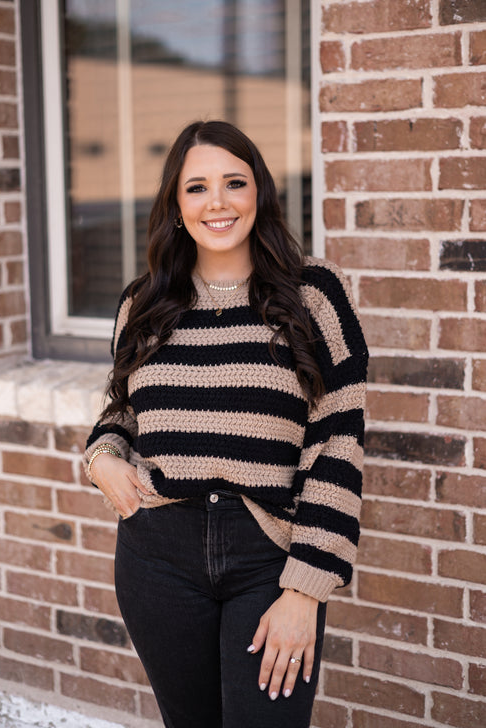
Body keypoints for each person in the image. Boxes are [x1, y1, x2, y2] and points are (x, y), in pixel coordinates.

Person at [84, 120, 368, 728]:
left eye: (234, 182)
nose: (217, 202)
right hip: (157, 553)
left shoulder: (314, 295)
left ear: (258, 193)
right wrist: (102, 455)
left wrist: (304, 591)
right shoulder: (144, 301)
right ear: (175, 205)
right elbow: (123, 408)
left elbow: (337, 445)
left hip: (268, 555)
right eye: (196, 187)